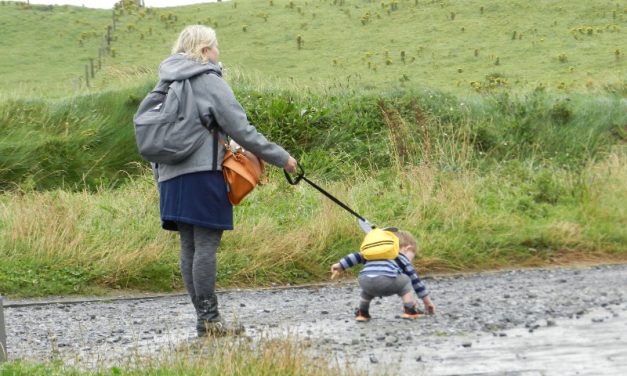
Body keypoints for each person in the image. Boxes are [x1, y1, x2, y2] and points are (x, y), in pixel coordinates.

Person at [151, 25, 298, 337]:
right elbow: (241, 129)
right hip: (202, 176)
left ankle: (205, 320)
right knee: (205, 246)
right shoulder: (207, 79)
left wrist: (160, 178)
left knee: (189, 246)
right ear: (205, 51)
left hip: (169, 177)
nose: (219, 54)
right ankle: (210, 321)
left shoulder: (165, 82)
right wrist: (281, 157)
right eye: (216, 48)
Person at [330, 229, 436, 322]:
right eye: (412, 256)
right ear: (407, 249)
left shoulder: (372, 253)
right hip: (387, 281)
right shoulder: (400, 257)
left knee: (367, 290)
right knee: (406, 281)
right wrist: (427, 302)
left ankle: (362, 312)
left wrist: (340, 265)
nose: (410, 261)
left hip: (364, 280)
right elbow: (416, 281)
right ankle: (409, 310)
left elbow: (356, 256)